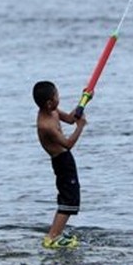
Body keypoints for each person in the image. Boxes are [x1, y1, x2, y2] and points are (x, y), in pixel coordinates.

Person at [33, 80, 87, 249]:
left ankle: (55, 234)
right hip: (61, 162)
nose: (59, 97)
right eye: (57, 95)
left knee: (70, 198)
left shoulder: (53, 111)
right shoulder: (46, 125)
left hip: (66, 160)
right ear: (49, 102)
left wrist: (83, 102)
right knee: (68, 199)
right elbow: (68, 143)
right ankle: (52, 237)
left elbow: (71, 119)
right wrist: (81, 127)